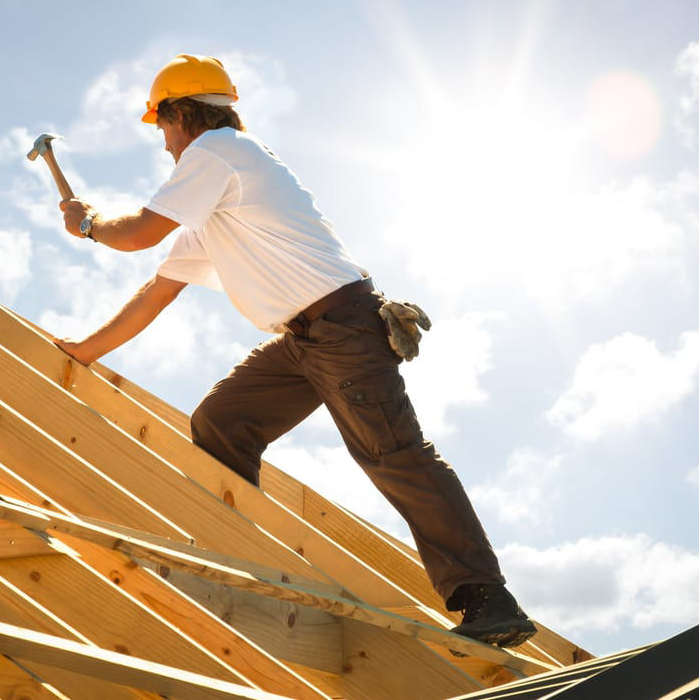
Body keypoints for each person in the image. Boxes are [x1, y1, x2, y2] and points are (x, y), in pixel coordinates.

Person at [54, 53, 536, 648]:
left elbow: (136, 235)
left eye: (162, 127)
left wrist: (87, 223)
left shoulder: (216, 154)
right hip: (304, 339)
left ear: (182, 116)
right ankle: (239, 554)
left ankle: (486, 598)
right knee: (221, 421)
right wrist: (84, 351)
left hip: (343, 328)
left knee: (395, 456)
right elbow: (157, 291)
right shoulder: (216, 196)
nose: (164, 145)